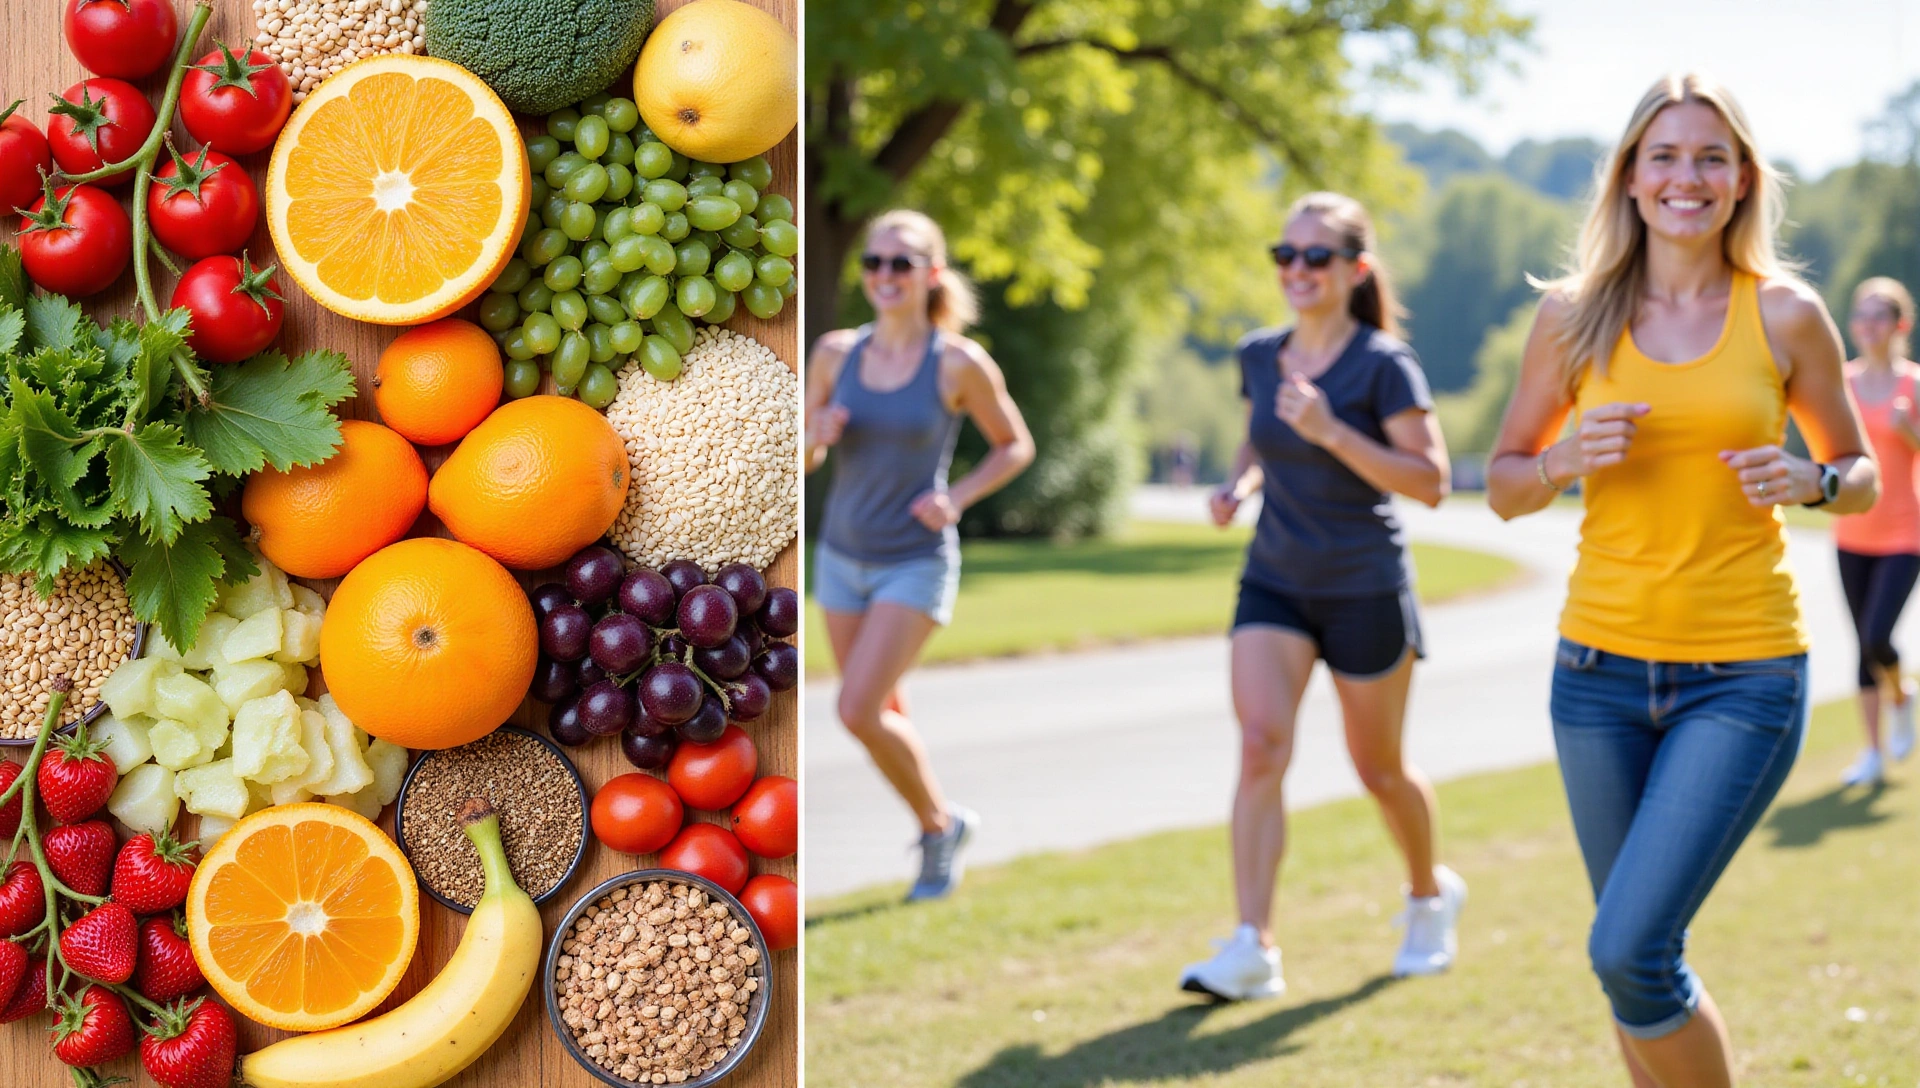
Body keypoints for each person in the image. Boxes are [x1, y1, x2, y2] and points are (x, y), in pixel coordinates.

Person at [1487, 73, 1876, 1087]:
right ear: (1630, 176)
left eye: (1711, 156)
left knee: (1628, 950)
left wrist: (1814, 477)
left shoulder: (1787, 316)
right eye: (1664, 155)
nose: (1686, 176)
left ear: (1743, 180)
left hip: (1740, 676)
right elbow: (1501, 483)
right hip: (1595, 675)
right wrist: (1563, 462)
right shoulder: (1572, 317)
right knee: (1634, 961)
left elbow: (1864, 474)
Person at [1179, 191, 1460, 1002]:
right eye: (1286, 255)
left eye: (1316, 257)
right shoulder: (1259, 354)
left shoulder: (1383, 364)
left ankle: (1428, 898)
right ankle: (1252, 947)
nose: (1296, 270)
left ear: (1354, 269)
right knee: (1262, 744)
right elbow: (1257, 435)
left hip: (1364, 585)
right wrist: (1239, 483)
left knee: (1379, 769)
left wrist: (1334, 431)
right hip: (1275, 580)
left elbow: (1432, 483)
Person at [804, 209, 1035, 902]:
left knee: (856, 709)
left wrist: (958, 496)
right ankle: (941, 825)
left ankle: (937, 829)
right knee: (881, 710)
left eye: (901, 263)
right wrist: (813, 433)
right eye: (874, 263)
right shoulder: (835, 354)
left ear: (931, 274)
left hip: (915, 559)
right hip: (842, 558)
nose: (884, 275)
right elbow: (804, 460)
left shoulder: (957, 363)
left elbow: (1014, 444)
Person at [1833, 277, 1920, 785]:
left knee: (1877, 635)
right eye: (1860, 317)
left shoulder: (1913, 385)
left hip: (1905, 533)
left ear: (1898, 325)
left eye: (1878, 317)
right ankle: (1871, 753)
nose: (1868, 326)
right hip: (1851, 532)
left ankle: (1901, 696)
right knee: (1861, 645)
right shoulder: (1839, 383)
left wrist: (1910, 432)